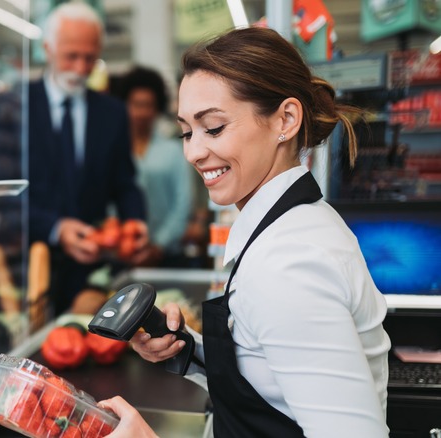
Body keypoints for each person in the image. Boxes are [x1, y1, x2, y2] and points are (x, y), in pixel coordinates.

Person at [99, 27, 391, 437]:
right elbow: (272, 384)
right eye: (186, 131)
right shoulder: (288, 225)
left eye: (213, 128)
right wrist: (184, 350)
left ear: (285, 120)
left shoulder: (287, 266)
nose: (194, 152)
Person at [26, 2, 148, 315]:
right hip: (27, 273)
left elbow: (124, 183)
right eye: (71, 56)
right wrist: (56, 228)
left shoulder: (112, 113)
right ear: (47, 49)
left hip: (93, 273)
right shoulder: (15, 107)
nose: (81, 69)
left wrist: (135, 220)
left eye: (90, 58)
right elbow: (1, 194)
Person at [113, 66, 195, 267]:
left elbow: (182, 203)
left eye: (148, 105)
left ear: (157, 107)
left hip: (167, 257)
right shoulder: (113, 151)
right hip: (120, 255)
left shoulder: (173, 150)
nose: (141, 112)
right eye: (135, 104)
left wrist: (158, 245)